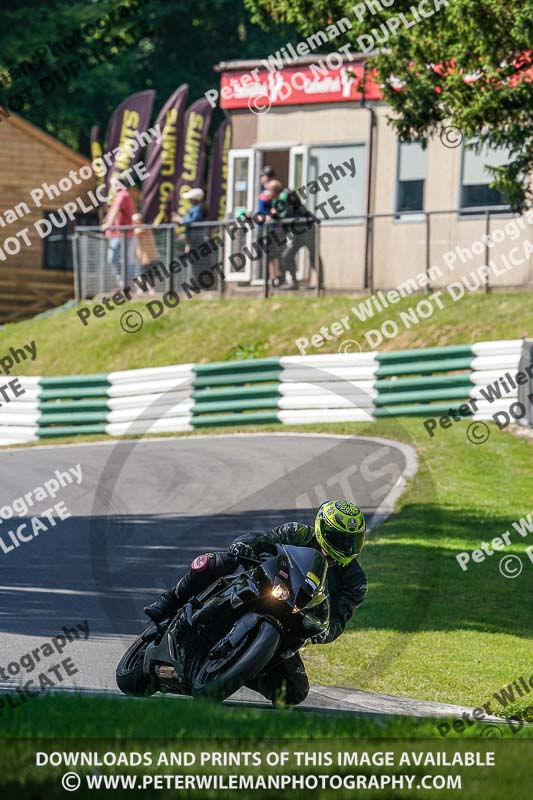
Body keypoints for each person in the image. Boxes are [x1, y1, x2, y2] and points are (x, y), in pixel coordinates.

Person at [144, 500, 368, 706]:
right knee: (216, 561)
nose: (347, 546)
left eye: (353, 540)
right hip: (262, 586)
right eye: (340, 538)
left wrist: (323, 632)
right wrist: (244, 544)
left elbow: (339, 618)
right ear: (323, 529)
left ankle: (238, 669)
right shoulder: (297, 533)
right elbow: (263, 540)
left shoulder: (356, 581)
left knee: (294, 692)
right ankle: (169, 601)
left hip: (293, 620)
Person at [276, 188, 323, 290]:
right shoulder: (287, 208)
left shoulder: (297, 207)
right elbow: (283, 219)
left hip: (308, 232)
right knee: (287, 256)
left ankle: (320, 283)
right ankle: (294, 282)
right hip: (297, 235)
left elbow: (286, 215)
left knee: (313, 256)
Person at [102, 173, 136, 287]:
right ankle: (124, 283)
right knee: (121, 259)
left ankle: (124, 283)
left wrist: (108, 224)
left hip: (121, 234)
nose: (112, 187)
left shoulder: (123, 195)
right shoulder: (121, 195)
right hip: (119, 234)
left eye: (114, 184)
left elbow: (116, 209)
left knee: (113, 258)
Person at [131, 212, 159, 296]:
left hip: (148, 257)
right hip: (144, 257)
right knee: (146, 273)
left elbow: (136, 232)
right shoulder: (141, 228)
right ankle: (147, 290)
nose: (133, 223)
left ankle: (143, 290)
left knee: (144, 273)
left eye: (135, 221)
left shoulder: (142, 229)